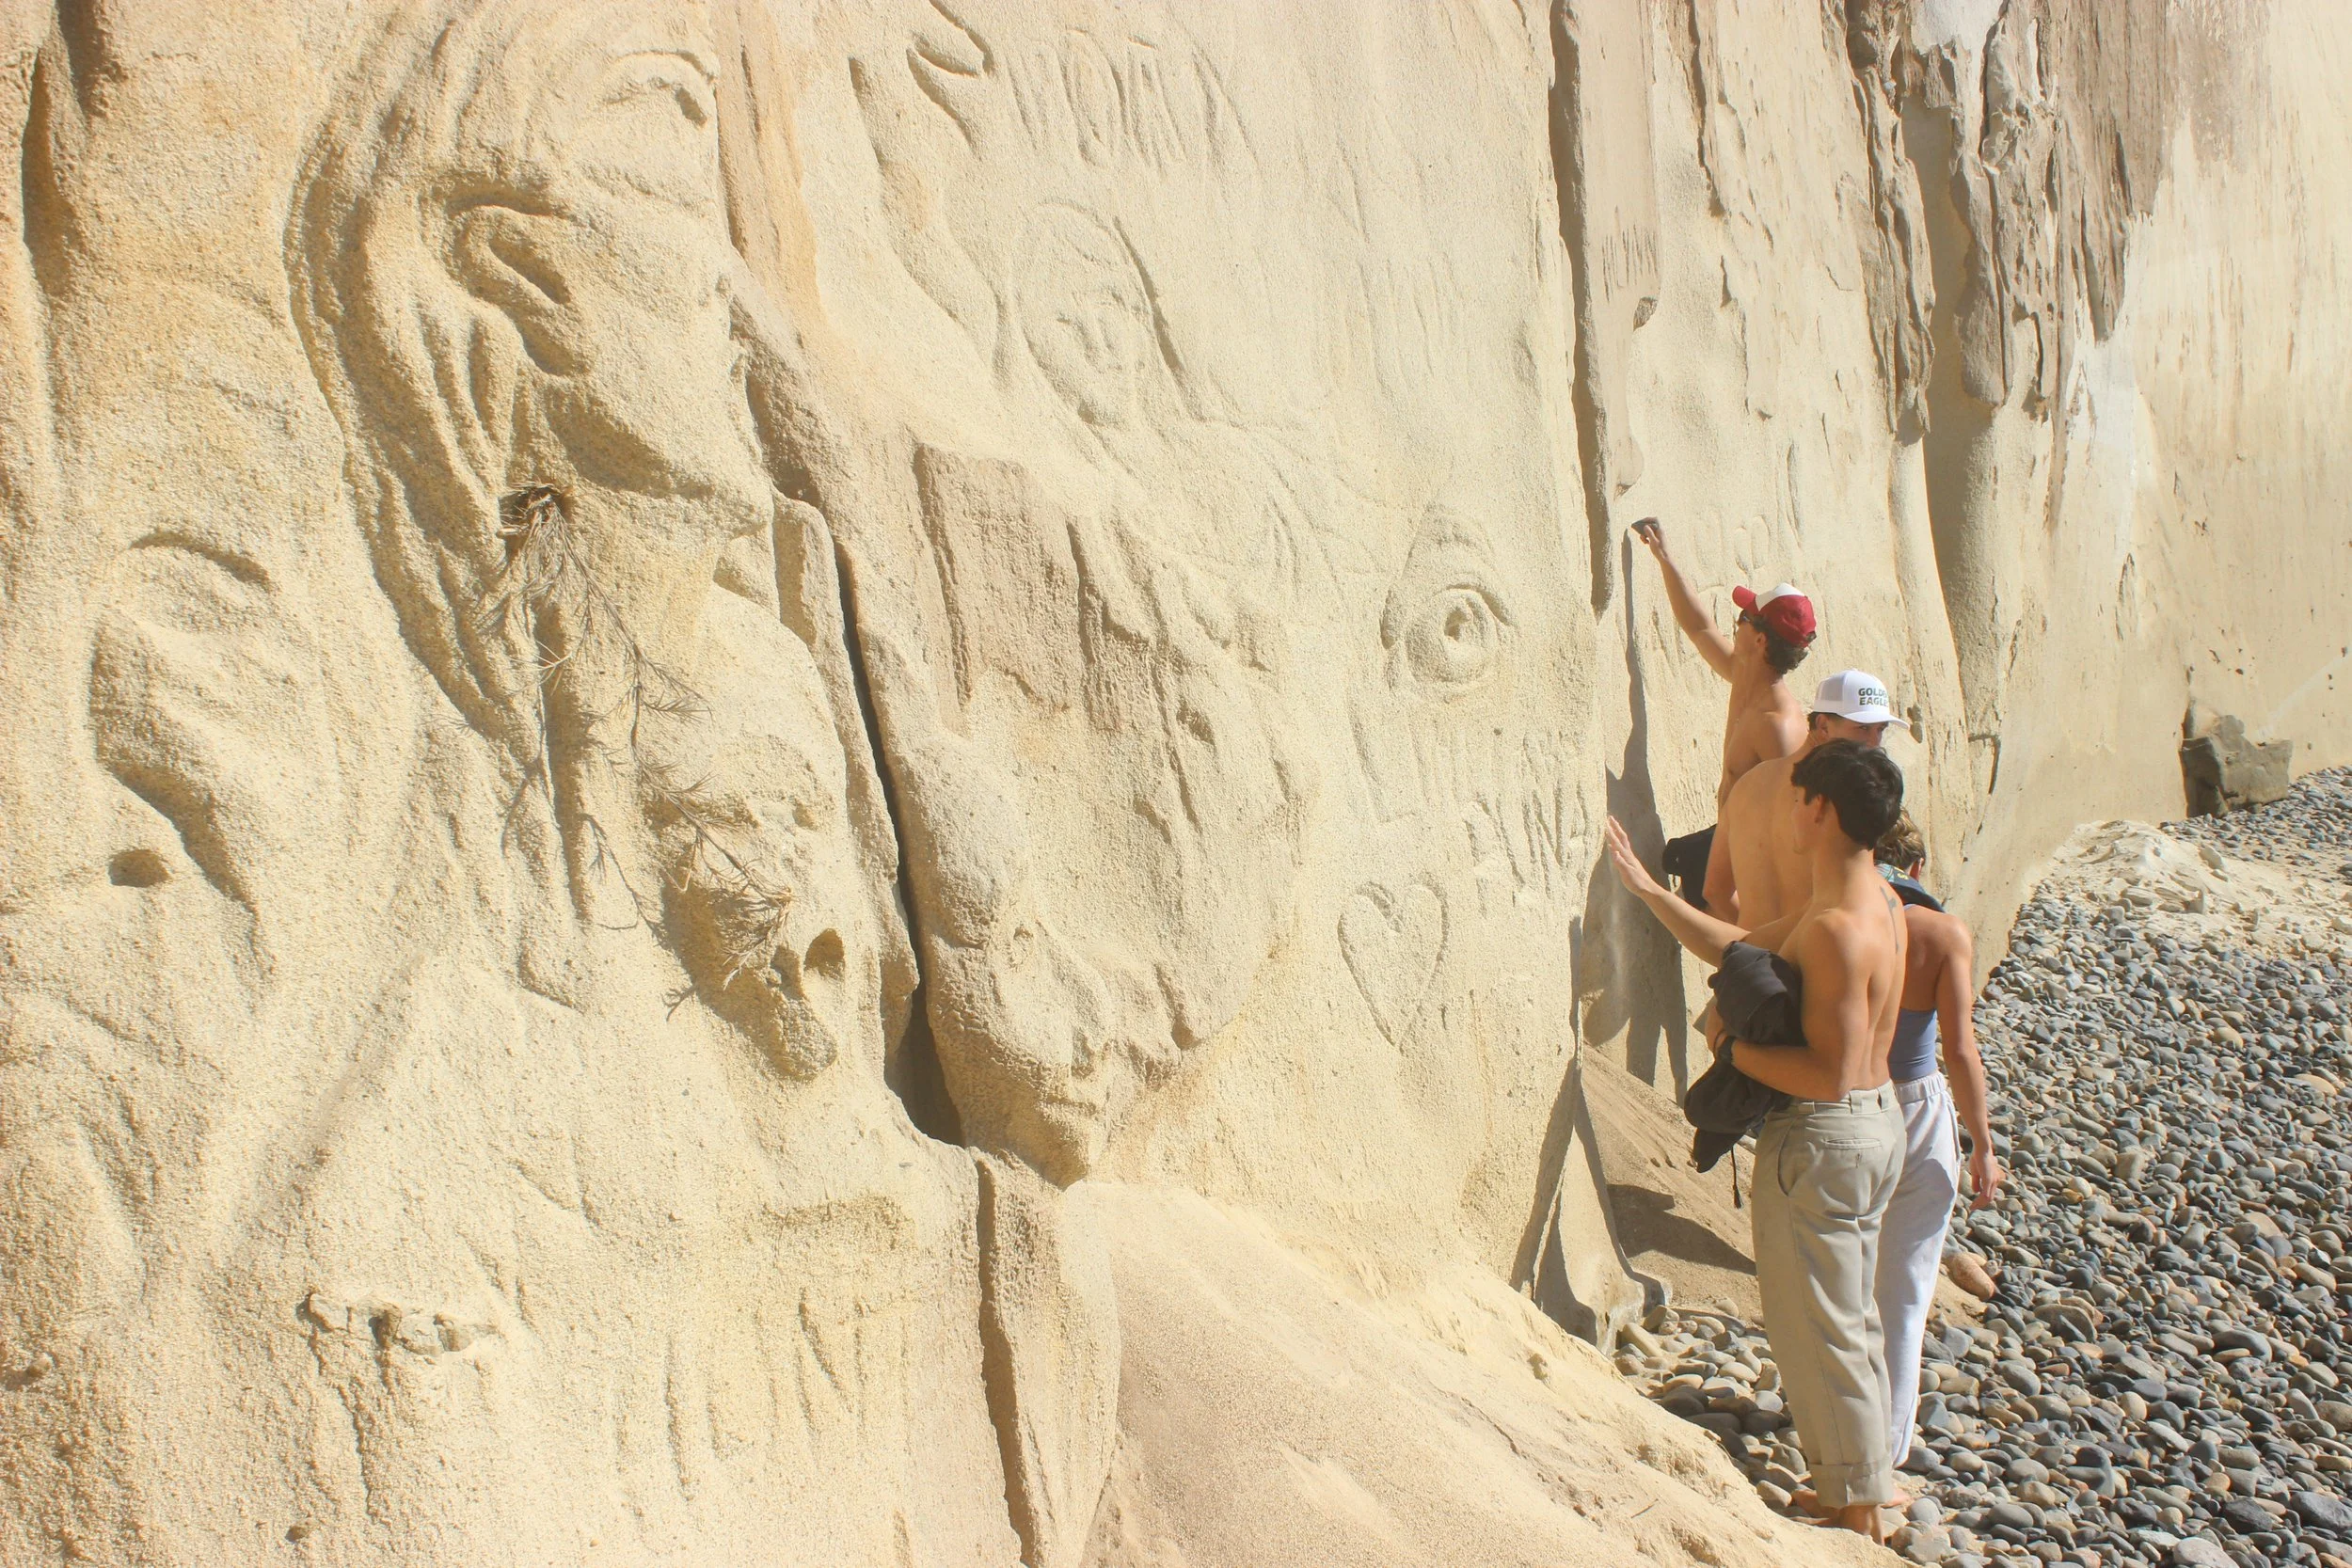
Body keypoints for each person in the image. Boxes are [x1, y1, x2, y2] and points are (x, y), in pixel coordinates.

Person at [1605, 741, 1910, 1540]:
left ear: (1820, 810)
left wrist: (1734, 1051)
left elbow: (1830, 1072)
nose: (1786, 812)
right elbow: (1736, 946)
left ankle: (1858, 1510)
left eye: (1795, 796)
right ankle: (1861, 1483)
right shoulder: (1875, 900)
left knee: (1821, 1322)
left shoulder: (1840, 928)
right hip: (1873, 1132)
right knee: (1850, 1317)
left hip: (1827, 1136)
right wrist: (1646, 889)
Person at [1872, 816, 2001, 1479]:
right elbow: (1959, 1049)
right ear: (1918, 869)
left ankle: (1827, 1423)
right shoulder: (1941, 932)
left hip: (1846, 1100)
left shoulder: (1848, 912)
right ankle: (1881, 1457)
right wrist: (1981, 1143)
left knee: (1843, 1282)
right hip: (1916, 1109)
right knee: (1904, 1292)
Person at [1630, 519, 1815, 903]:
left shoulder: (1778, 725)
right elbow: (1699, 628)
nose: (1737, 621)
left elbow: (1792, 824)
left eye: (1745, 617)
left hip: (1755, 867)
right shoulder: (1744, 674)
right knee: (1680, 862)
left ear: (1760, 639)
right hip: (1731, 845)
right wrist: (1665, 558)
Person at [1701, 669, 1907, 926]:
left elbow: (1715, 890)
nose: (1874, 743)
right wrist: (1795, 950)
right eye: (1863, 728)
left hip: (1751, 956)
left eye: (1880, 730)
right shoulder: (1844, 799)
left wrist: (1757, 948)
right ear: (1823, 726)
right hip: (1814, 959)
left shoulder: (1749, 783)